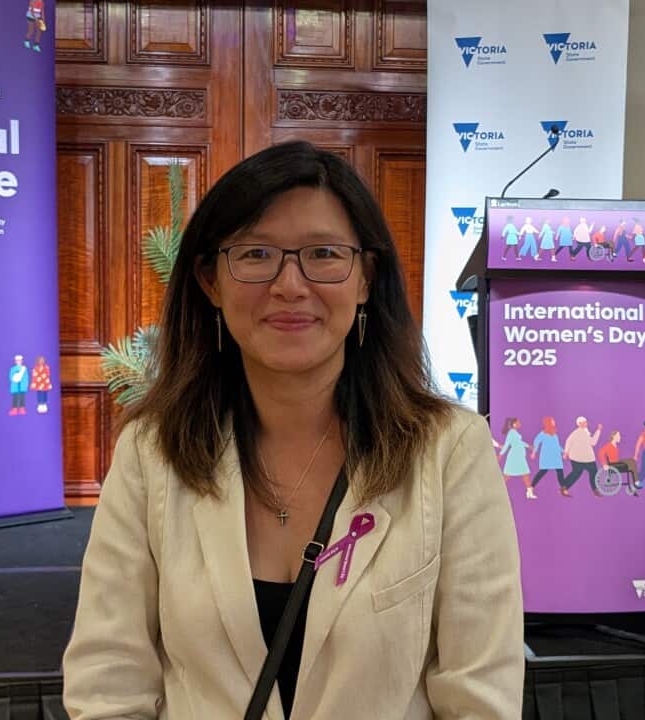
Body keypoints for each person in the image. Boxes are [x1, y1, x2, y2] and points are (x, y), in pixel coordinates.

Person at [63, 141, 523, 719]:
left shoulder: (449, 451)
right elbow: (108, 683)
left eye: (324, 254)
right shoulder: (151, 453)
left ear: (364, 279)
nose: (289, 285)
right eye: (255, 254)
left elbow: (480, 698)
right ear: (210, 280)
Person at [562, 416, 603, 496]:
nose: (586, 423)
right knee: (590, 473)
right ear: (579, 424)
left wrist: (598, 430)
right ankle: (595, 490)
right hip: (581, 458)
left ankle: (564, 488)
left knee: (578, 473)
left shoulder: (584, 432)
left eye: (586, 422)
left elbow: (592, 442)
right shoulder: (578, 433)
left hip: (583, 458)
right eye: (584, 422)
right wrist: (566, 452)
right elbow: (593, 442)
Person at [529, 415, 565, 493]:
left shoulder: (555, 434)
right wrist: (534, 452)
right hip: (547, 456)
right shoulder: (542, 433)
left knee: (560, 472)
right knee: (542, 472)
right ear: (548, 423)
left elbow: (557, 445)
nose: (554, 422)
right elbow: (536, 442)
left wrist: (564, 451)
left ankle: (563, 489)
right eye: (552, 421)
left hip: (556, 456)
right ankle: (531, 487)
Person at [499, 417, 533, 498]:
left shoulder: (515, 433)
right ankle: (497, 490)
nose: (520, 423)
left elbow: (519, 442)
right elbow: (507, 445)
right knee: (507, 476)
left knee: (526, 474)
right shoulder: (511, 433)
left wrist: (528, 446)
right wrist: (500, 454)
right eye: (518, 422)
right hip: (514, 457)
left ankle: (529, 493)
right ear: (514, 424)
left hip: (519, 457)